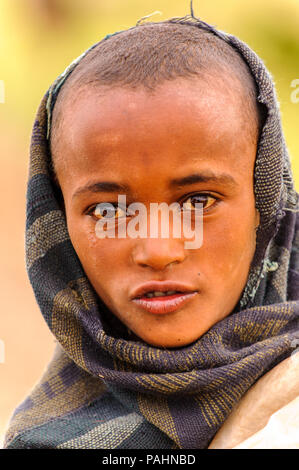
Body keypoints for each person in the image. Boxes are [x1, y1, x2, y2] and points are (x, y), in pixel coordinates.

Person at [3, 13, 299, 449]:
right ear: (56, 219)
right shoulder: (43, 439)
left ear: (264, 198)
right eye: (107, 210)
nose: (158, 251)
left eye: (199, 201)